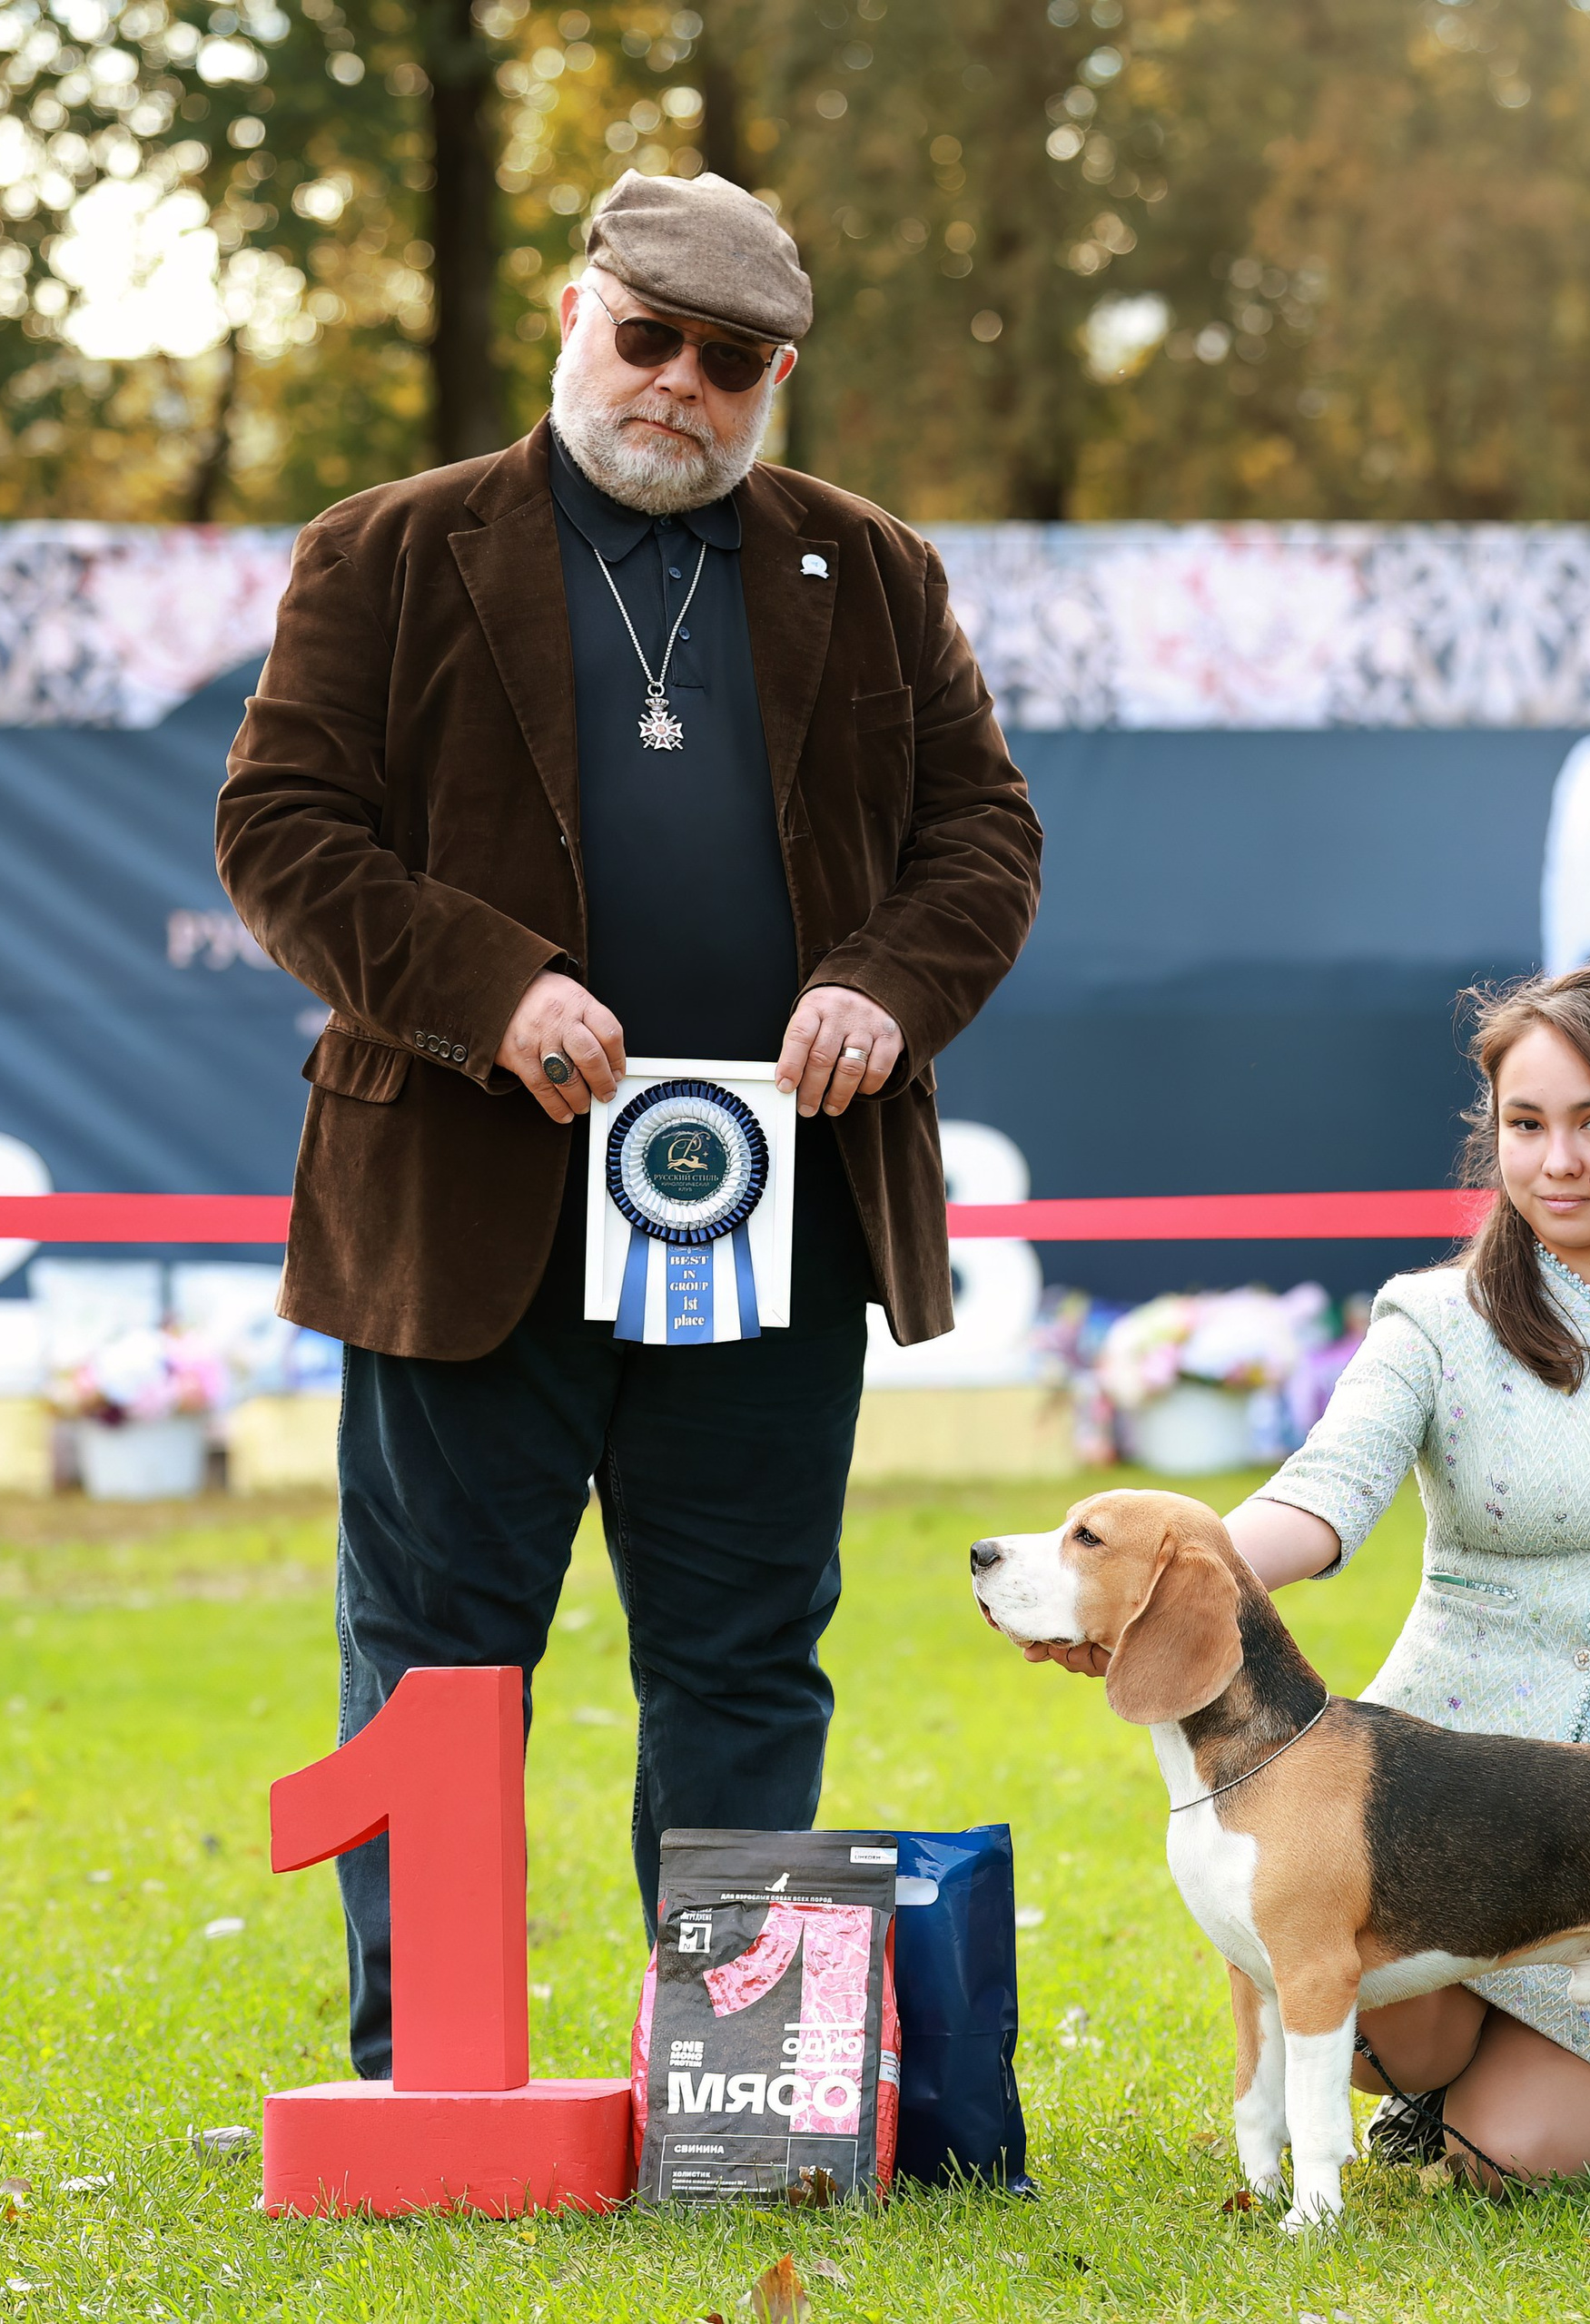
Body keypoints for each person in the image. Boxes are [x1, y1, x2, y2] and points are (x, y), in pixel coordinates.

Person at [217, 169, 1042, 2077]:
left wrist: (881, 984)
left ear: (771, 382)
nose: (679, 383)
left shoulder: (877, 568)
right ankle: (423, 2071)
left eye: (729, 361)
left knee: (748, 1655)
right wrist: (483, 981)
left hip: (784, 1230)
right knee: (437, 1660)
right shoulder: (385, 549)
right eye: (648, 336)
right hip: (461, 1206)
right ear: (574, 316)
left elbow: (981, 838)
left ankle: (745, 2083)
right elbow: (279, 834)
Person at [1029, 963, 1590, 2184]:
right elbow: (1318, 1501)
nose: (1561, 1161)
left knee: (1514, 2158)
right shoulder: (1430, 1317)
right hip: (1440, 1765)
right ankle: (1450, 2074)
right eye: (1528, 1125)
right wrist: (1156, 1585)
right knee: (1347, 1983)